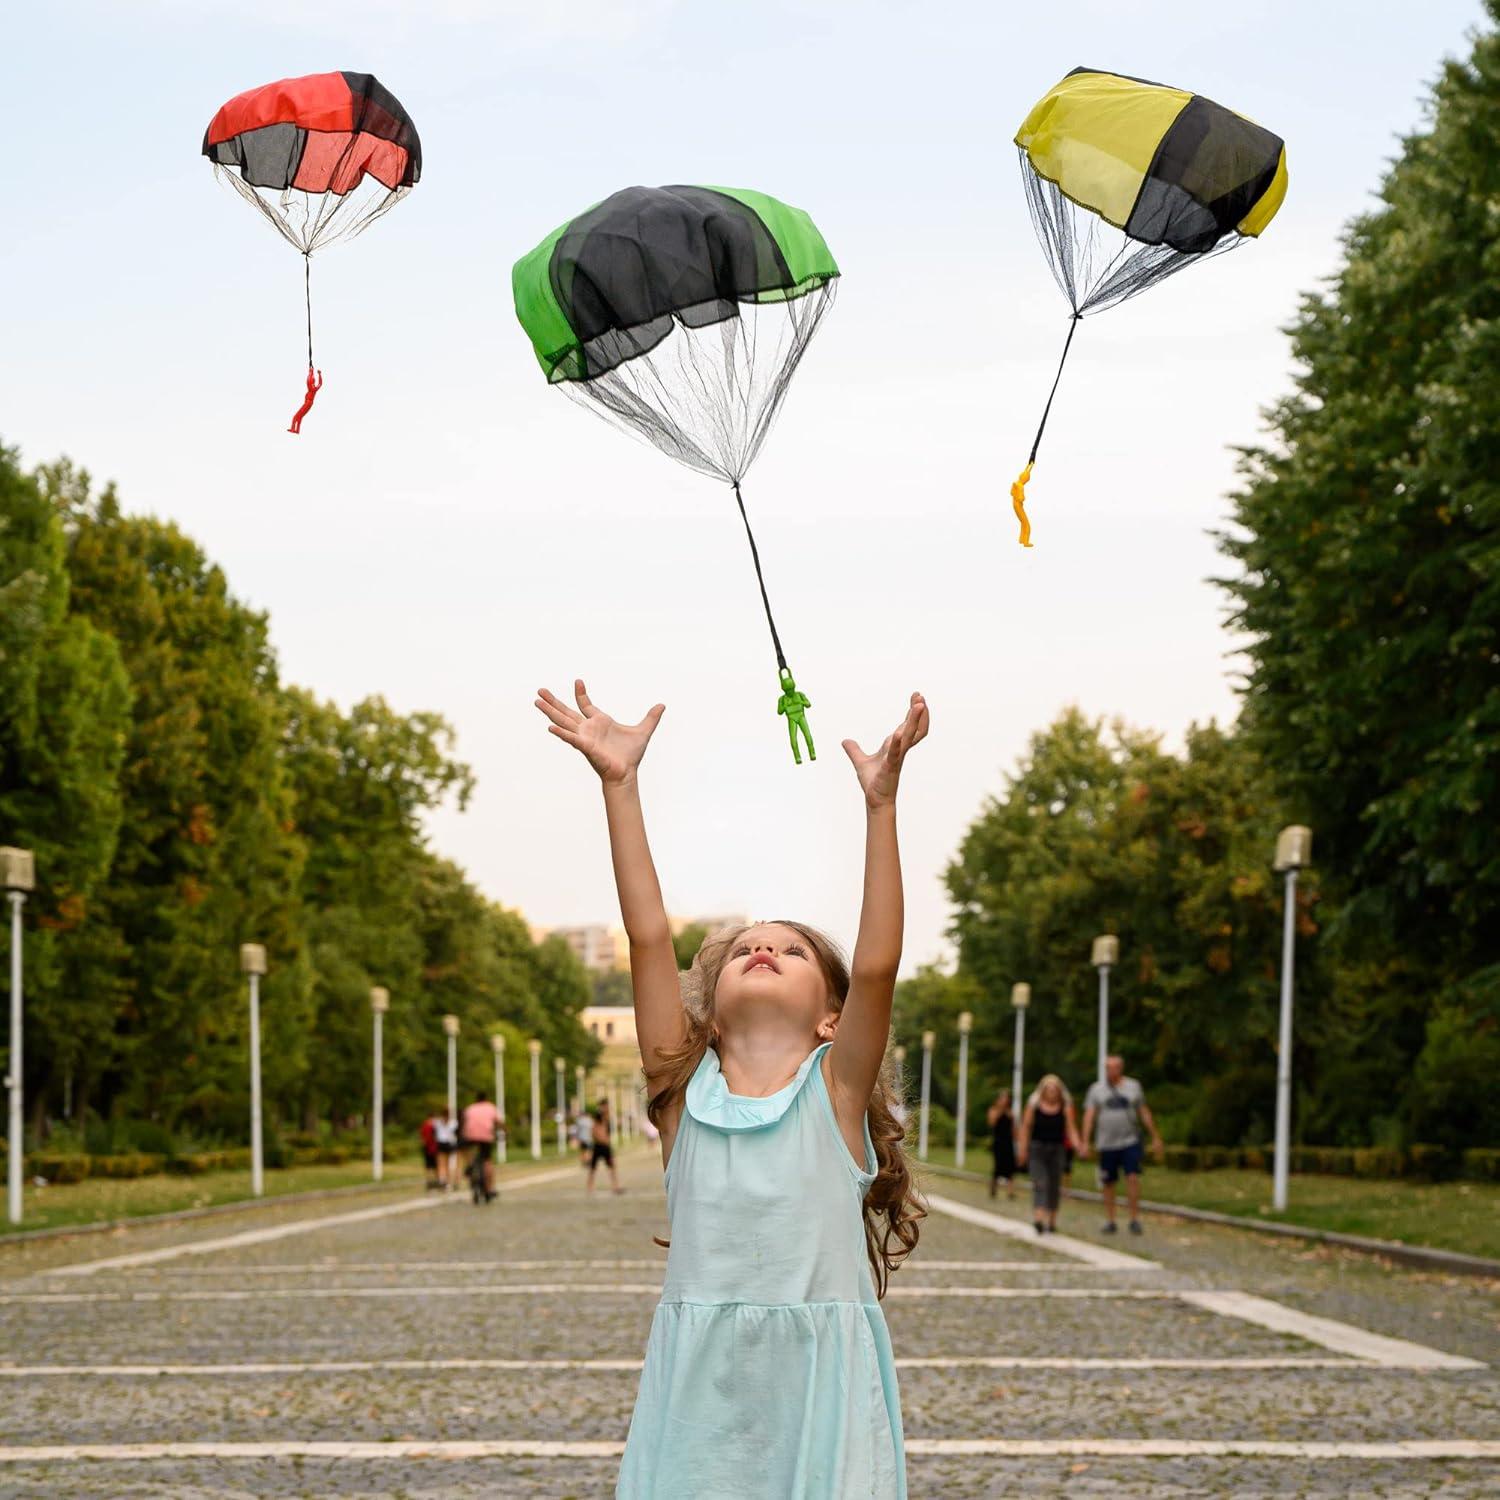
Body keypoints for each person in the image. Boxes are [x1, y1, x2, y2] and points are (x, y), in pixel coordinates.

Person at [535, 677, 928, 1499]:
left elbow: (882, 961)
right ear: (709, 1016)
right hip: (700, 1402)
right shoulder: (685, 1101)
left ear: (832, 1017)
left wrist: (881, 808)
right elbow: (647, 935)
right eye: (749, 946)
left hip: (819, 1390)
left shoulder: (836, 1094)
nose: (763, 950)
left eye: (788, 951)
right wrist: (620, 785)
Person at [1081, 1054, 1164, 1236]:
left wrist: (1155, 1136)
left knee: (1132, 1177)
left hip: (1129, 1140)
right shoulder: (1096, 1090)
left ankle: (1134, 1219)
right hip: (1106, 1143)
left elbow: (1143, 1111)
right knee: (1108, 1182)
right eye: (1108, 1067)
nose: (1112, 1071)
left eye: (1115, 1067)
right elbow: (1089, 1116)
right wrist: (1085, 1141)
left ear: (1121, 1068)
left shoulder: (1133, 1087)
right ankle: (1110, 1219)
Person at [1016, 1074, 1081, 1234]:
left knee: (1054, 1184)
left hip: (1057, 1149)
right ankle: (1038, 1219)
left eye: (1054, 1089)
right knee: (1040, 1182)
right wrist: (1022, 1149)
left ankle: (1051, 1220)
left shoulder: (1065, 1106)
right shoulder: (1034, 1106)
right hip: (1037, 1148)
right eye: (1048, 1088)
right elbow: (1025, 1127)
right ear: (1043, 1090)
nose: (1052, 1092)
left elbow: (1071, 1128)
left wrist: (1079, 1145)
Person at [460, 1089, 501, 1202]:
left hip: (470, 1137)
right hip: (486, 1138)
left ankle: (469, 1166)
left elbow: (464, 1122)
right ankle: (490, 1188)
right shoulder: (490, 1107)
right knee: (487, 1161)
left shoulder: (470, 1108)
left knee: (468, 1152)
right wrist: (503, 1132)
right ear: (486, 1098)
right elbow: (499, 1123)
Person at [587, 1099, 624, 1196]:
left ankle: (615, 1186)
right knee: (593, 1167)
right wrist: (602, 1139)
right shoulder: (598, 1117)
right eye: (606, 1106)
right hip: (598, 1146)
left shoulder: (607, 1118)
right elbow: (594, 1131)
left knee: (612, 1166)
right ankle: (590, 1187)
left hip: (606, 1146)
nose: (608, 1108)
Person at [985, 1089, 1016, 1199]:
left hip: (1008, 1142)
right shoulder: (993, 1110)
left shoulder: (1010, 1112)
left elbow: (1013, 1128)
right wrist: (1000, 1110)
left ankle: (1010, 1191)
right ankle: (993, 1188)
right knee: (997, 1166)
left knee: (1010, 1167)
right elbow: (991, 1123)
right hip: (998, 1142)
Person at [433, 1110, 459, 1190]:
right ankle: (447, 1181)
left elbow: (434, 1131)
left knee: (441, 1163)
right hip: (449, 1143)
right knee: (447, 1164)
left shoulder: (437, 1122)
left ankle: (442, 1179)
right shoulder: (453, 1122)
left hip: (441, 1143)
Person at [419, 1111, 442, 1191]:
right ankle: (436, 1181)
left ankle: (429, 1182)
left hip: (426, 1147)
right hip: (433, 1148)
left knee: (428, 1166)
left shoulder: (424, 1125)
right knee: (435, 1166)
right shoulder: (433, 1126)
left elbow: (422, 1137)